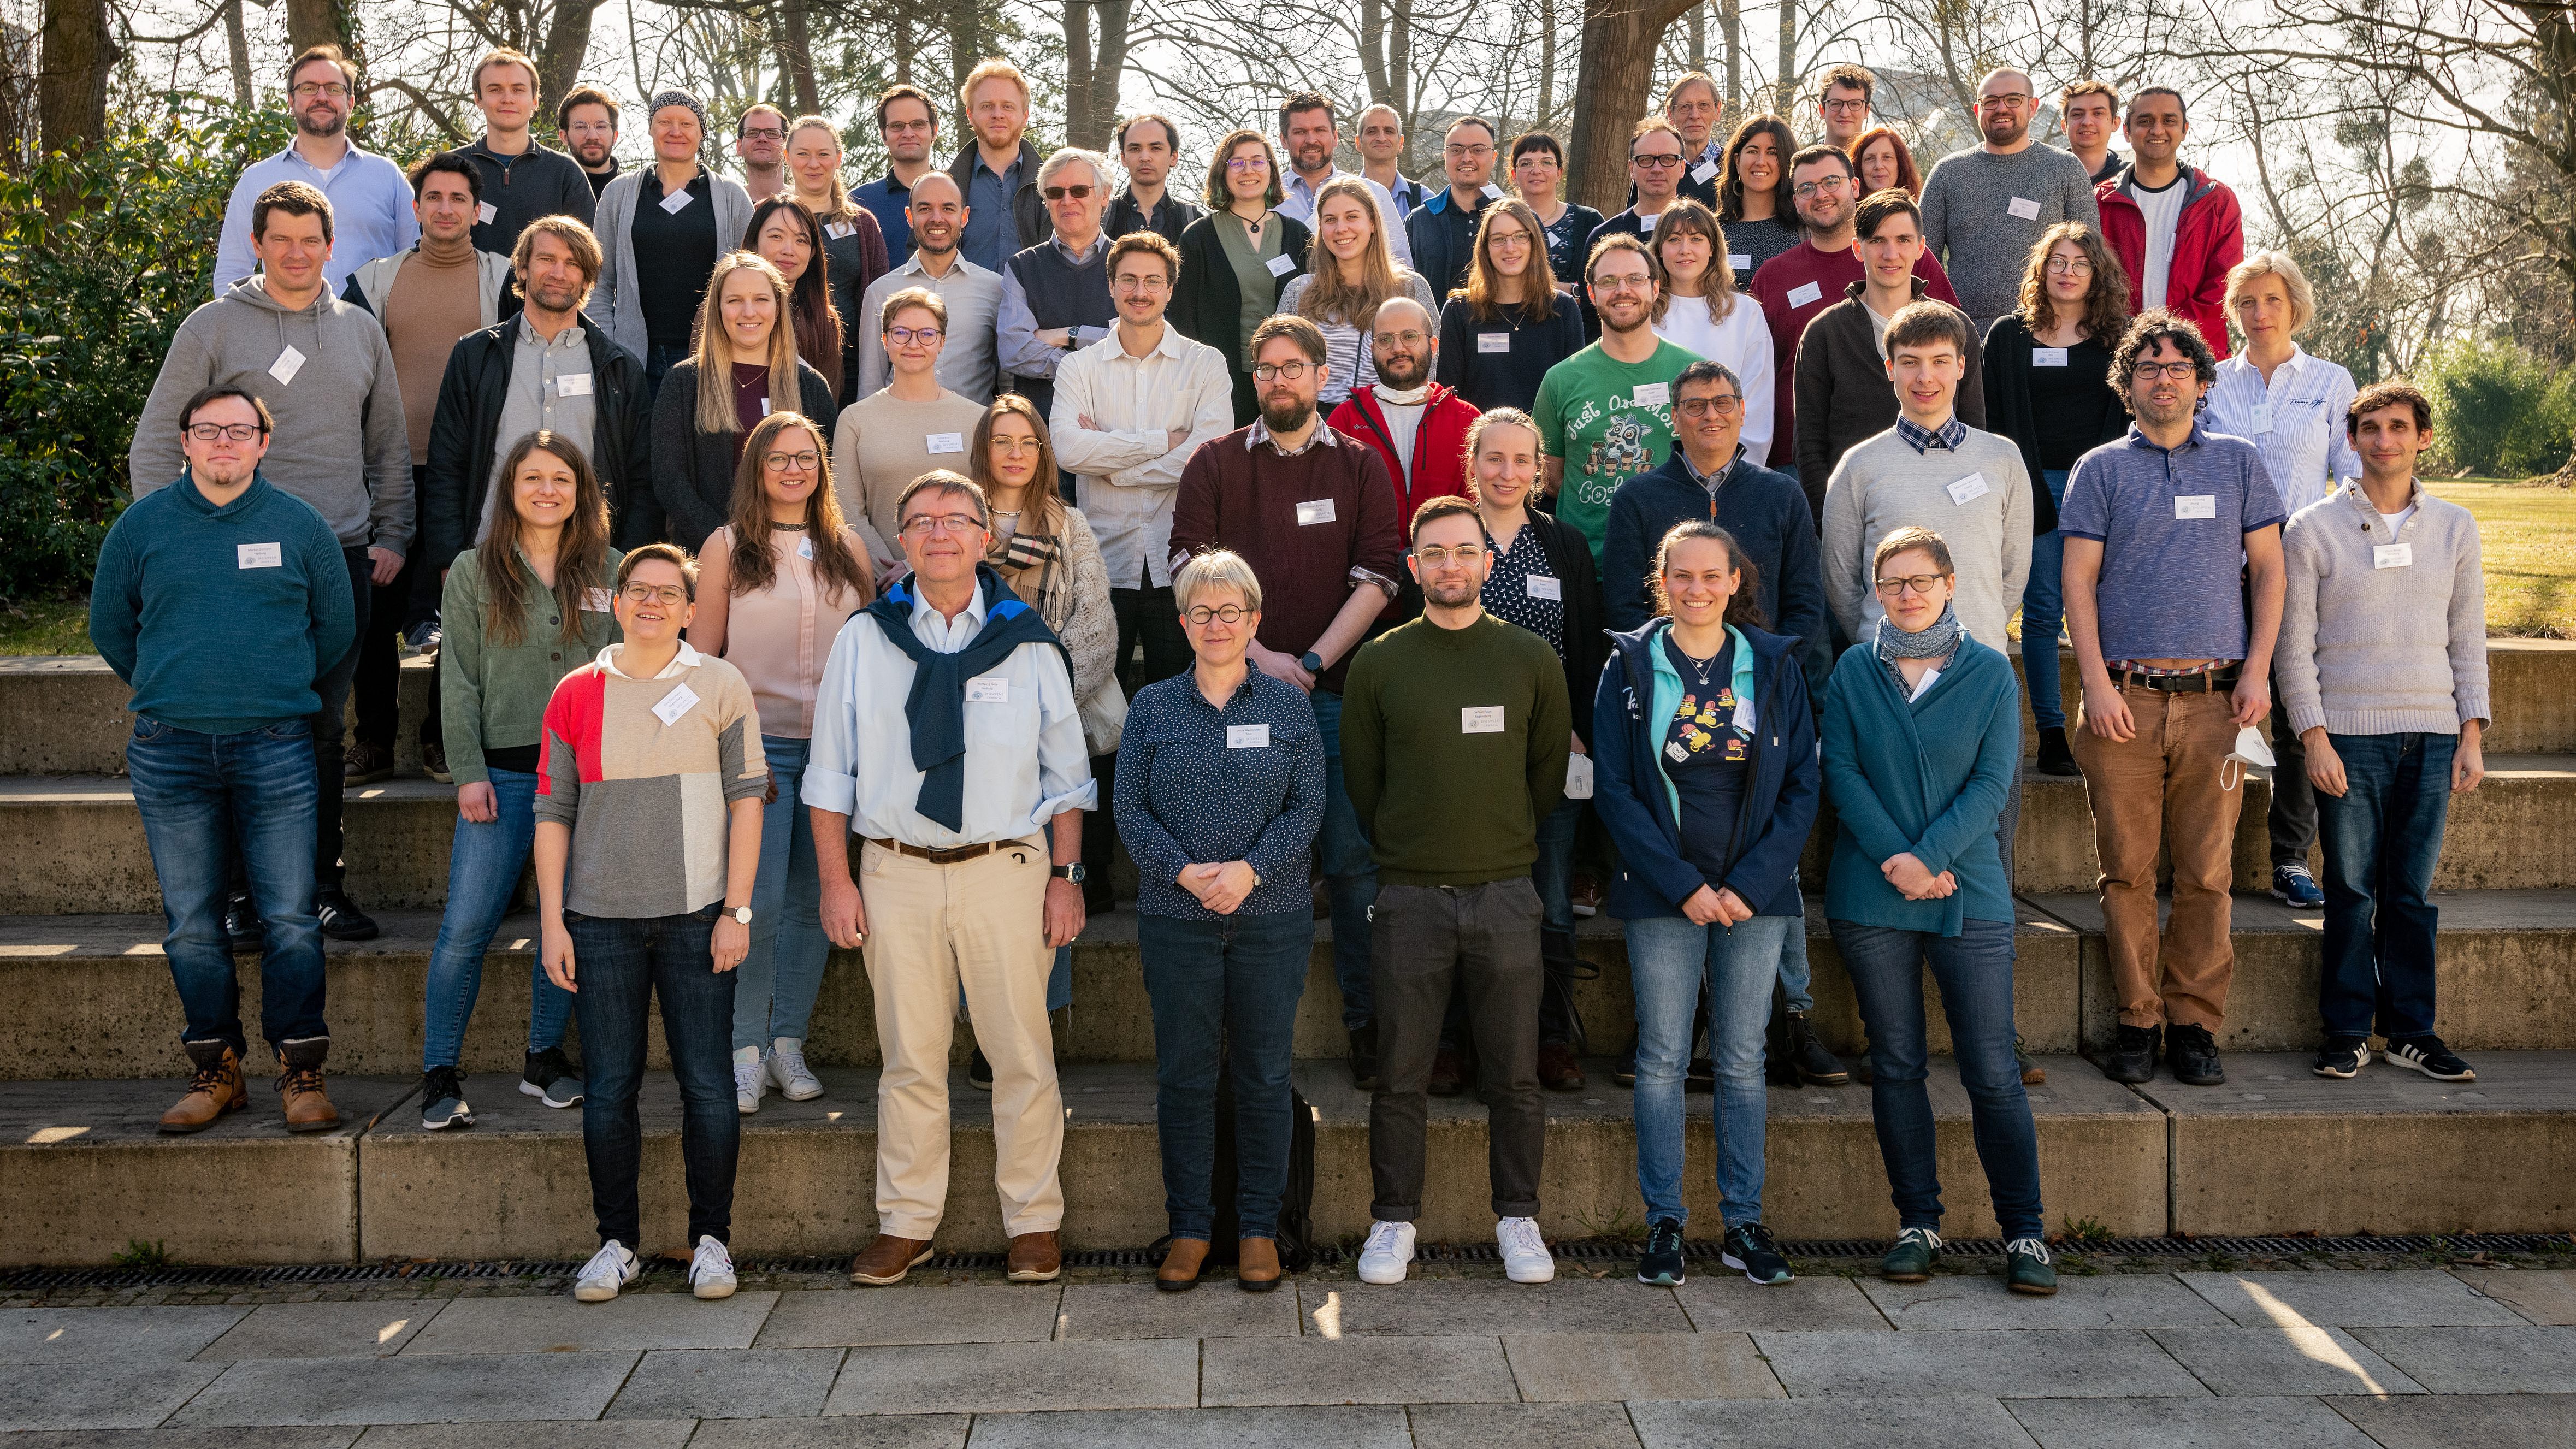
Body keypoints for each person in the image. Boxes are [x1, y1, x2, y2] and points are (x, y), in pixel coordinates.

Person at [809, 471, 1096, 1290]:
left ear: (983, 537)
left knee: (1022, 1055)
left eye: (956, 519)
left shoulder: (1028, 640)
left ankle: (1034, 1221)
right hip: (894, 872)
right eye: (921, 521)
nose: (939, 532)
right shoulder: (865, 639)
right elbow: (829, 776)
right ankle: (906, 1222)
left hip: (1007, 870)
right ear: (902, 543)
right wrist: (838, 882)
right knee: (909, 1059)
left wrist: (1066, 877)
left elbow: (1065, 776)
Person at [131, 180, 410, 947]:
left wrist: (392, 532)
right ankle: (238, 898)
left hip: (342, 557)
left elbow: (386, 444)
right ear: (257, 244)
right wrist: (172, 540)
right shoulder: (213, 327)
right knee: (243, 726)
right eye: (280, 238)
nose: (296, 252)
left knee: (320, 727)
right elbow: (159, 440)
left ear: (331, 246)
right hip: (231, 563)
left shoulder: (359, 330)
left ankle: (321, 888)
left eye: (310, 239)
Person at [94, 386, 355, 1134]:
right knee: (192, 926)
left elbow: (334, 629)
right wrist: (173, 687)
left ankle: (301, 1069)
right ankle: (217, 1067)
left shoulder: (299, 527)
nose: (224, 443)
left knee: (292, 918)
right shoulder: (141, 528)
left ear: (264, 444)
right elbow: (112, 626)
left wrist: (273, 687)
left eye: (240, 431)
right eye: (208, 430)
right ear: (184, 441)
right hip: (170, 750)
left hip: (275, 746)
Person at [1169, 315, 1405, 1090]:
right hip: (1230, 700)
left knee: (1349, 861)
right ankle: (1229, 1039)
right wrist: (1261, 658)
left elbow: (1378, 579)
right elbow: (1190, 569)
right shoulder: (1214, 463)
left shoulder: (1363, 466)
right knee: (1232, 860)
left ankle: (1369, 1025)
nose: (1278, 380)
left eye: (1293, 367)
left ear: (1320, 374)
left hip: (1333, 696)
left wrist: (1307, 662)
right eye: (1265, 368)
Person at [1819, 525, 2056, 1298]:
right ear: (1876, 593)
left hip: (1970, 890)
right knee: (1896, 1064)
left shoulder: (1990, 673)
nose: (1908, 594)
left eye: (1921, 580)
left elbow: (1993, 784)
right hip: (1873, 888)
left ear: (1951, 583)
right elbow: (1844, 773)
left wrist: (1933, 858)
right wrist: (1899, 858)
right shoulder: (1856, 671)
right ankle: (1917, 1223)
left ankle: (2026, 1231)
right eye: (1893, 584)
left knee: (1993, 1070)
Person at [1343, 494, 1573, 1288]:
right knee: (1402, 1074)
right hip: (1408, 897)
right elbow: (1364, 783)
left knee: (1514, 1073)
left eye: (1464, 552)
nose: (1450, 565)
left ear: (1487, 560)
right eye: (1433, 553)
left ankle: (1518, 1217)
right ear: (1413, 567)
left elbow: (1544, 779)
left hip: (1506, 892)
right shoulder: (1380, 661)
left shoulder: (1531, 659)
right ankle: (1393, 1220)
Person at [535, 543, 767, 1305]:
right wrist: (553, 922)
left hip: (700, 914)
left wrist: (736, 908)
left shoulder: (721, 683)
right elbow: (552, 812)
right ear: (617, 598)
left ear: (691, 610)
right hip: (599, 920)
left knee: (707, 1085)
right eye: (639, 590)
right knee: (609, 1089)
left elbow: (746, 801)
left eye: (669, 594)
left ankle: (713, 1242)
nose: (652, 603)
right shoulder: (576, 690)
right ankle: (617, 1242)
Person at [2061, 311, 2286, 1089]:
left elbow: (2271, 571)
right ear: (2127, 387)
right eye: (2148, 367)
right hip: (2125, 697)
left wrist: (2258, 670)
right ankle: (2137, 1017)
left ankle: (2194, 1023)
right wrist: (2093, 681)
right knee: (2125, 872)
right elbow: (2078, 582)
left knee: (2207, 873)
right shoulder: (2099, 470)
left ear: (2201, 381)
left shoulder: (2238, 463)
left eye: (2178, 366)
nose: (2164, 377)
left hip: (2219, 703)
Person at [1592, 519, 1817, 1289]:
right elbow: (1616, 790)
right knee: (1660, 1057)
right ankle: (1665, 1222)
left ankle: (1742, 1223)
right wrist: (1684, 885)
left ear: (1734, 581)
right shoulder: (1627, 665)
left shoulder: (1774, 663)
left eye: (1710, 576)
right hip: (1664, 894)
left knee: (1744, 1059)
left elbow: (1801, 788)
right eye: (1680, 576)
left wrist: (1746, 886)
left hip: (1755, 893)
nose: (1695, 590)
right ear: (1662, 581)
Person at [1117, 549, 1326, 1292]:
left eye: (1230, 610)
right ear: (1181, 622)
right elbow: (1128, 810)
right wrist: (1181, 870)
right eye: (1201, 611)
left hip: (1270, 914)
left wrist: (1250, 870)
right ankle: (1191, 1226)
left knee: (1265, 1073)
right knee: (1185, 1077)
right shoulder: (1151, 707)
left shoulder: (1287, 706)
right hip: (1176, 916)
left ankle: (1260, 1228)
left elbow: (1309, 807)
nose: (1216, 623)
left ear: (1255, 620)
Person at [2283, 382, 2489, 1083]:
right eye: (2370, 428)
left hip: (2432, 735)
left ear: (2422, 438)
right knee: (2351, 890)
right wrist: (2313, 735)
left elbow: (2467, 637)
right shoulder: (2311, 528)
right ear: (2352, 439)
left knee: (2410, 893)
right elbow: (2294, 644)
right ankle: (2345, 1030)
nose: (2384, 440)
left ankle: (2411, 1030)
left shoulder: (2457, 527)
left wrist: (2472, 731)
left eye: (2399, 427)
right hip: (2349, 735)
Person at [416, 431, 621, 1131]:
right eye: (533, 478)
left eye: (562, 479)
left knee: (563, 923)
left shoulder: (613, 568)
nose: (547, 491)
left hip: (586, 783)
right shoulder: (475, 571)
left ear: (581, 491)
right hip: (501, 777)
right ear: (510, 489)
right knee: (466, 927)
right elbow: (459, 681)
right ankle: (439, 1071)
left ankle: (544, 1058)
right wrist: (467, 772)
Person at [689, 412, 873, 1113]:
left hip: (833, 755)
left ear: (821, 468)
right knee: (754, 903)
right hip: (755, 753)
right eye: (778, 459)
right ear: (756, 469)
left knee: (809, 902)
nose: (793, 469)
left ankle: (786, 1044)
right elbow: (704, 658)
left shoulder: (847, 547)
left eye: (805, 458)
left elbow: (869, 660)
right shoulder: (727, 546)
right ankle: (743, 1049)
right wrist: (730, 751)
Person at [1823, 301, 2031, 881]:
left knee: (1987, 844)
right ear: (1889, 368)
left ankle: (1985, 955)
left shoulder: (2002, 458)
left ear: (1962, 366)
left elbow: (2012, 572)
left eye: (1941, 361)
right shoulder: (1860, 467)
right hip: (1885, 682)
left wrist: (1976, 631)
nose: (1925, 377)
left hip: (1980, 677)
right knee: (1885, 844)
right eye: (1910, 362)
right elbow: (1842, 581)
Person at [340, 151, 512, 788]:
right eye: (433, 197)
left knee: (460, 602)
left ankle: (443, 736)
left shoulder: (502, 278)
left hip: (471, 472)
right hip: (386, 462)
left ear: (476, 210)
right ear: (416, 208)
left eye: (457, 198)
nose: (445, 208)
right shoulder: (374, 280)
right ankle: (374, 739)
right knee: (376, 608)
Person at [2204, 252, 2359, 907]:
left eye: (2271, 300)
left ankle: (2292, 857)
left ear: (2295, 306)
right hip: (2218, 573)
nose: (2258, 314)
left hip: (2298, 573)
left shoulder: (2329, 381)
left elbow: (2351, 474)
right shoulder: (2211, 381)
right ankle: (2204, 852)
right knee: (2217, 716)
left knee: (2298, 719)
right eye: (2246, 302)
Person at [1463, 411, 1606, 1091]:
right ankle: (1459, 1042)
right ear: (1474, 463)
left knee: (1548, 899)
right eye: (1495, 458)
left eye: (1523, 460)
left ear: (1540, 467)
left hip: (1550, 752)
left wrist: (1577, 726)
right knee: (1463, 897)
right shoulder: (1450, 540)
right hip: (1461, 753)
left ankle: (1550, 1039)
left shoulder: (1563, 546)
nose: (1508, 472)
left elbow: (1585, 649)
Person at [417, 216, 655, 593]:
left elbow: (642, 479)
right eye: (547, 259)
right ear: (523, 268)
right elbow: (448, 465)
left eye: (573, 263)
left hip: (589, 567)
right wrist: (450, 562)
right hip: (490, 560)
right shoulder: (476, 356)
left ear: (588, 279)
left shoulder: (619, 369)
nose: (559, 272)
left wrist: (625, 564)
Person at [1051, 230, 1235, 697]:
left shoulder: (1205, 364)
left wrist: (1114, 463)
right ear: (1110, 286)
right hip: (1102, 562)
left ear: (1170, 290)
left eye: (1153, 281)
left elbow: (1206, 458)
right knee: (1093, 702)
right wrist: (1160, 441)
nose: (1140, 291)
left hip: (1178, 562)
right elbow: (1069, 451)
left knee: (1178, 702)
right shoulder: (1079, 368)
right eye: (1129, 280)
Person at [1983, 222, 2134, 779]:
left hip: (2103, 486)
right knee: (2044, 610)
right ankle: (2052, 734)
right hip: (2032, 486)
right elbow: (1994, 418)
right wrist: (2018, 486)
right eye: (2057, 261)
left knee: (2101, 608)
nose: (2067, 271)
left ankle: (2108, 727)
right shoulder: (2007, 336)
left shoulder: (2120, 338)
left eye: (2080, 262)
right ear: (2040, 270)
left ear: (2098, 274)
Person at [976, 394, 1120, 936]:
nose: (1016, 453)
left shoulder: (1069, 524)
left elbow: (1097, 626)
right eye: (1002, 441)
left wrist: (1047, 703)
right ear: (982, 450)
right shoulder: (960, 521)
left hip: (1057, 718)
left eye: (1028, 442)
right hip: (977, 721)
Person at [1751, 144, 1959, 496]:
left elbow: (1952, 344)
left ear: (1855, 187)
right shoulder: (1773, 276)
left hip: (1921, 449)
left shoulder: (1904, 259)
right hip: (1800, 459)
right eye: (1807, 188)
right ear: (1795, 199)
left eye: (1831, 181)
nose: (1821, 195)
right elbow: (1760, 369)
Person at [1604, 360, 1827, 667]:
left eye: (1723, 403)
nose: (1711, 415)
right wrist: (1660, 668)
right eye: (1695, 405)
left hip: (1765, 677)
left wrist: (1774, 667)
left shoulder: (1783, 494)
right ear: (1674, 418)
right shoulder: (1636, 499)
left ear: (1742, 411)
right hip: (1667, 677)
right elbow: (1624, 605)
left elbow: (1806, 602)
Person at [1793, 188, 1988, 489]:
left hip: (1942, 504)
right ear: (1858, 248)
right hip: (1857, 510)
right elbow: (1809, 446)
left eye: (1903, 241)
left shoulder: (1955, 327)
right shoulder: (1824, 334)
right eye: (1877, 241)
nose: (1890, 254)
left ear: (1921, 247)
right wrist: (1830, 524)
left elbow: (1974, 430)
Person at [652, 252, 842, 549]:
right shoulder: (683, 383)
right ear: (717, 309)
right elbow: (670, 481)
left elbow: (829, 476)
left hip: (796, 552)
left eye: (762, 300)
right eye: (735, 300)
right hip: (710, 553)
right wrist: (726, 543)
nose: (749, 311)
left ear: (778, 308)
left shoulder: (811, 387)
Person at [1532, 234, 1697, 557]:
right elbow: (1551, 479)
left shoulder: (1692, 373)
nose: (1623, 290)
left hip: (1675, 563)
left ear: (1655, 287)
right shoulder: (1560, 380)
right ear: (1591, 293)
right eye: (1609, 281)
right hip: (1586, 564)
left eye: (1636, 279)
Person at [215, 45, 416, 293]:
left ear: (350, 102)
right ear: (291, 100)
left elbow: (416, 264)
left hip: (374, 331)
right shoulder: (256, 180)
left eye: (333, 89)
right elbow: (231, 273)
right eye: (309, 88)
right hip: (285, 329)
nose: (322, 97)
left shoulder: (388, 177)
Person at [593, 90, 755, 392]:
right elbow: (599, 282)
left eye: (686, 123)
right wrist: (608, 344)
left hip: (714, 357)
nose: (675, 131)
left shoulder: (732, 197)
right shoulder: (619, 194)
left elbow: (754, 281)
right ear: (651, 129)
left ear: (702, 132)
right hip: (634, 358)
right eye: (665, 122)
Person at [1919, 68, 2101, 334]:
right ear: (1977, 109)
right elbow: (1923, 262)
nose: (2001, 108)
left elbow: (2092, 257)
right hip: (1966, 336)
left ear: (2033, 106)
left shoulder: (2065, 169)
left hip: (2048, 333)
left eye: (2013, 99)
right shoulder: (1948, 173)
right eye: (1990, 101)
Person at [835, 287, 986, 564]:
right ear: (884, 340)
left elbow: (987, 510)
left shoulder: (977, 419)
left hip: (958, 575)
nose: (913, 344)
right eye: (901, 333)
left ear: (942, 343)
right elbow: (848, 514)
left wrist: (921, 568)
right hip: (879, 583)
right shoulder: (854, 420)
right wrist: (892, 574)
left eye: (926, 334)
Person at [1170, 129, 1310, 425]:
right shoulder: (1198, 238)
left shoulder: (1300, 236)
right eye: (1237, 163)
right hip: (1220, 382)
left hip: (1287, 379)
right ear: (1223, 172)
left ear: (1272, 171)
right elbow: (1182, 318)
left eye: (1258, 162)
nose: (1248, 171)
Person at [2095, 87, 2243, 355]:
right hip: (2118, 356)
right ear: (2127, 132)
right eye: (2145, 121)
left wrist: (2172, 337)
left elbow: (2225, 285)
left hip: (2196, 356)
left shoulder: (2217, 201)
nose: (2157, 130)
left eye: (2169, 121)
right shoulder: (2101, 201)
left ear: (2184, 130)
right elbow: (2092, 284)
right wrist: (2132, 341)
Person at [1279, 176, 1440, 409]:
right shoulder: (1298, 291)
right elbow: (1283, 368)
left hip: (1392, 420)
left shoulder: (1411, 288)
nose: (1341, 228)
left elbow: (1428, 372)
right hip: (1320, 427)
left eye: (1352, 217)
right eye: (1330, 220)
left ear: (1373, 223)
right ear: (1321, 228)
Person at [1330, 297, 1479, 528]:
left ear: (1433, 346)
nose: (1397, 348)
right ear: (1372, 350)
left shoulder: (1467, 419)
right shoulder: (1345, 420)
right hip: (1369, 560)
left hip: (1446, 559)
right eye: (1385, 339)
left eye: (1409, 336)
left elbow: (1477, 508)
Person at [1648, 200, 1778, 465]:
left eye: (1696, 239)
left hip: (1730, 471)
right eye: (1674, 239)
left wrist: (1734, 471)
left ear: (1712, 249)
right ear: (1659, 250)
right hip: (1654, 463)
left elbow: (1756, 403)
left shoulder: (1745, 312)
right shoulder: (1644, 314)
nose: (1685, 250)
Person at [855, 171, 1004, 402]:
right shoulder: (881, 292)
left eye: (948, 209)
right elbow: (870, 385)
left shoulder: (995, 289)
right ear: (910, 216)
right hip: (901, 431)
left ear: (964, 217)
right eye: (925, 209)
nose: (937, 218)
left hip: (973, 432)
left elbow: (1007, 382)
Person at [998, 148, 1118, 431]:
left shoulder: (1130, 263)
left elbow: (1138, 344)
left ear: (1104, 196)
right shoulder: (1021, 267)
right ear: (1046, 202)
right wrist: (1096, 353)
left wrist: (1068, 335)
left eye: (1079, 190)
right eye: (1055, 193)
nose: (1067, 201)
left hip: (1115, 426)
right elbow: (1014, 351)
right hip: (1038, 432)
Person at [1434, 198, 1585, 413]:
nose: (1510, 247)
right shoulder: (1459, 311)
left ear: (1534, 242)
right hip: (1479, 442)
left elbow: (1574, 393)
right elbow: (1450, 397)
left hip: (1546, 442)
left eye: (1520, 236)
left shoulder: (1563, 308)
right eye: (1498, 239)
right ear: (1485, 247)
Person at [785, 115, 893, 398]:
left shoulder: (863, 224)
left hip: (850, 365)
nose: (813, 163)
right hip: (781, 360)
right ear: (786, 157)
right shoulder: (767, 216)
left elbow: (881, 296)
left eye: (823, 154)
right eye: (803, 154)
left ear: (839, 158)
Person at [458, 48, 596, 256]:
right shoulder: (450, 168)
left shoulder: (565, 174)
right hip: (465, 288)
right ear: (478, 99)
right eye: (495, 89)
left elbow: (586, 256)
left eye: (518, 90)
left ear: (535, 101)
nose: (507, 99)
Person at [1274, 92, 1416, 268]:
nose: (1311, 140)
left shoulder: (1373, 194)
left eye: (1320, 130)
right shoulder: (1267, 199)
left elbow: (1401, 268)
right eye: (1300, 132)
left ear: (1335, 136)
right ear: (1283, 139)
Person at [744, 196, 847, 404]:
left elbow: (826, 406)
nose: (788, 250)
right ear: (755, 243)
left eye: (801, 240)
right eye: (776, 237)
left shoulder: (825, 321)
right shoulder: (723, 309)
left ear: (812, 254)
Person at [949, 58, 1046, 273]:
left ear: (1025, 116)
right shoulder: (945, 188)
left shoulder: (1053, 190)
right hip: (961, 306)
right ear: (970, 115)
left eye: (1008, 106)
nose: (997, 114)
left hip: (1033, 306)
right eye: (987, 106)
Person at [1407, 116, 1506, 297]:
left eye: (1478, 150)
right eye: (1456, 150)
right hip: (1435, 325)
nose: (1467, 158)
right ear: (1445, 157)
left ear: (1493, 157)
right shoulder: (1419, 222)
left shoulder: (1518, 219)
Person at [1506, 132, 1605, 297]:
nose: (1536, 171)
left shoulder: (1589, 221)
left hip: (1575, 322)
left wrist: (1573, 291)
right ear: (1514, 175)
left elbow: (1605, 282)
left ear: (1559, 173)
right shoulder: (1500, 223)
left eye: (1546, 163)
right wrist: (1567, 289)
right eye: (1526, 164)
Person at [855, 84, 941, 263]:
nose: (908, 133)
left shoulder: (959, 196)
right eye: (897, 126)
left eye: (918, 124)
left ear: (934, 131)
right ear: (883, 135)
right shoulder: (858, 203)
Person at [1712, 116, 1802, 287]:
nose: (1761, 162)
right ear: (1737, 161)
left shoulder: (1805, 228)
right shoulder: (1713, 230)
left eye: (1772, 153)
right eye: (1753, 151)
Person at [1586, 117, 1688, 256]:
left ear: (1682, 168)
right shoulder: (1604, 236)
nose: (1657, 169)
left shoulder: (1704, 230)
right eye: (1646, 160)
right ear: (1631, 168)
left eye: (1668, 159)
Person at [1107, 113, 1203, 243]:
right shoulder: (1102, 218)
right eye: (1135, 149)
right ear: (1123, 158)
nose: (1145, 157)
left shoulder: (1193, 222)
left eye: (1156, 148)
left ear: (1173, 157)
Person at [1356, 103, 1432, 215]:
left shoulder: (1423, 200)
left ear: (1401, 143)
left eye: (1389, 131)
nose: (1382, 138)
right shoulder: (1342, 197)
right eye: (1372, 131)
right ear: (1358, 143)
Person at [559, 85, 622, 197]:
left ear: (615, 136)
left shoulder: (634, 193)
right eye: (581, 127)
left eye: (601, 126)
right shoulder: (551, 191)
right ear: (564, 137)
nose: (592, 136)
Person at [2060, 80, 2124, 184]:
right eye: (2077, 114)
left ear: (2115, 123)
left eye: (2098, 113)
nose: (2087, 122)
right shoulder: (2044, 175)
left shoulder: (2130, 179)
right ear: (2064, 125)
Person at [734, 103, 789, 203]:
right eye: (752, 133)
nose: (762, 139)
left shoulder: (805, 205)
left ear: (787, 146)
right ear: (739, 147)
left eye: (772, 133)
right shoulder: (727, 206)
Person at [1850, 126, 1923, 199]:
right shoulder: (1845, 210)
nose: (1879, 166)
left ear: (1900, 164)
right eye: (1870, 159)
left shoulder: (1917, 209)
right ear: (1859, 166)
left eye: (1887, 157)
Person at [1816, 62, 1877, 149]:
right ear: (1822, 110)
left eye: (1855, 104)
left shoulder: (1880, 162)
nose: (1845, 113)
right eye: (1836, 104)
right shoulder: (1802, 162)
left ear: (1867, 111)